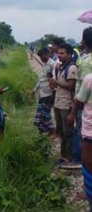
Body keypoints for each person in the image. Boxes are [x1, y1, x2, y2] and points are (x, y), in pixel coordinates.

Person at [48, 43, 77, 167]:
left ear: (69, 54)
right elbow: (58, 85)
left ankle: (69, 157)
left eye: (62, 53)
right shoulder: (61, 67)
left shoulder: (71, 68)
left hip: (66, 104)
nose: (59, 55)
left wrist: (56, 82)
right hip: (59, 102)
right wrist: (52, 83)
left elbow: (71, 86)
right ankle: (63, 155)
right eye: (58, 53)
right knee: (61, 130)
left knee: (68, 131)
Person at [68, 73, 92, 210]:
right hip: (90, 133)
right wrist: (72, 114)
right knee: (89, 165)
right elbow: (78, 101)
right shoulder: (89, 79)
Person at [33, 48, 55, 134]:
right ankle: (42, 130)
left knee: (46, 113)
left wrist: (53, 92)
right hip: (42, 93)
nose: (40, 58)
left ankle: (51, 130)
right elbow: (42, 78)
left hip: (48, 93)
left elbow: (54, 79)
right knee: (40, 113)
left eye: (41, 57)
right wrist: (35, 89)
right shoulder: (45, 64)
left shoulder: (52, 64)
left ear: (46, 55)